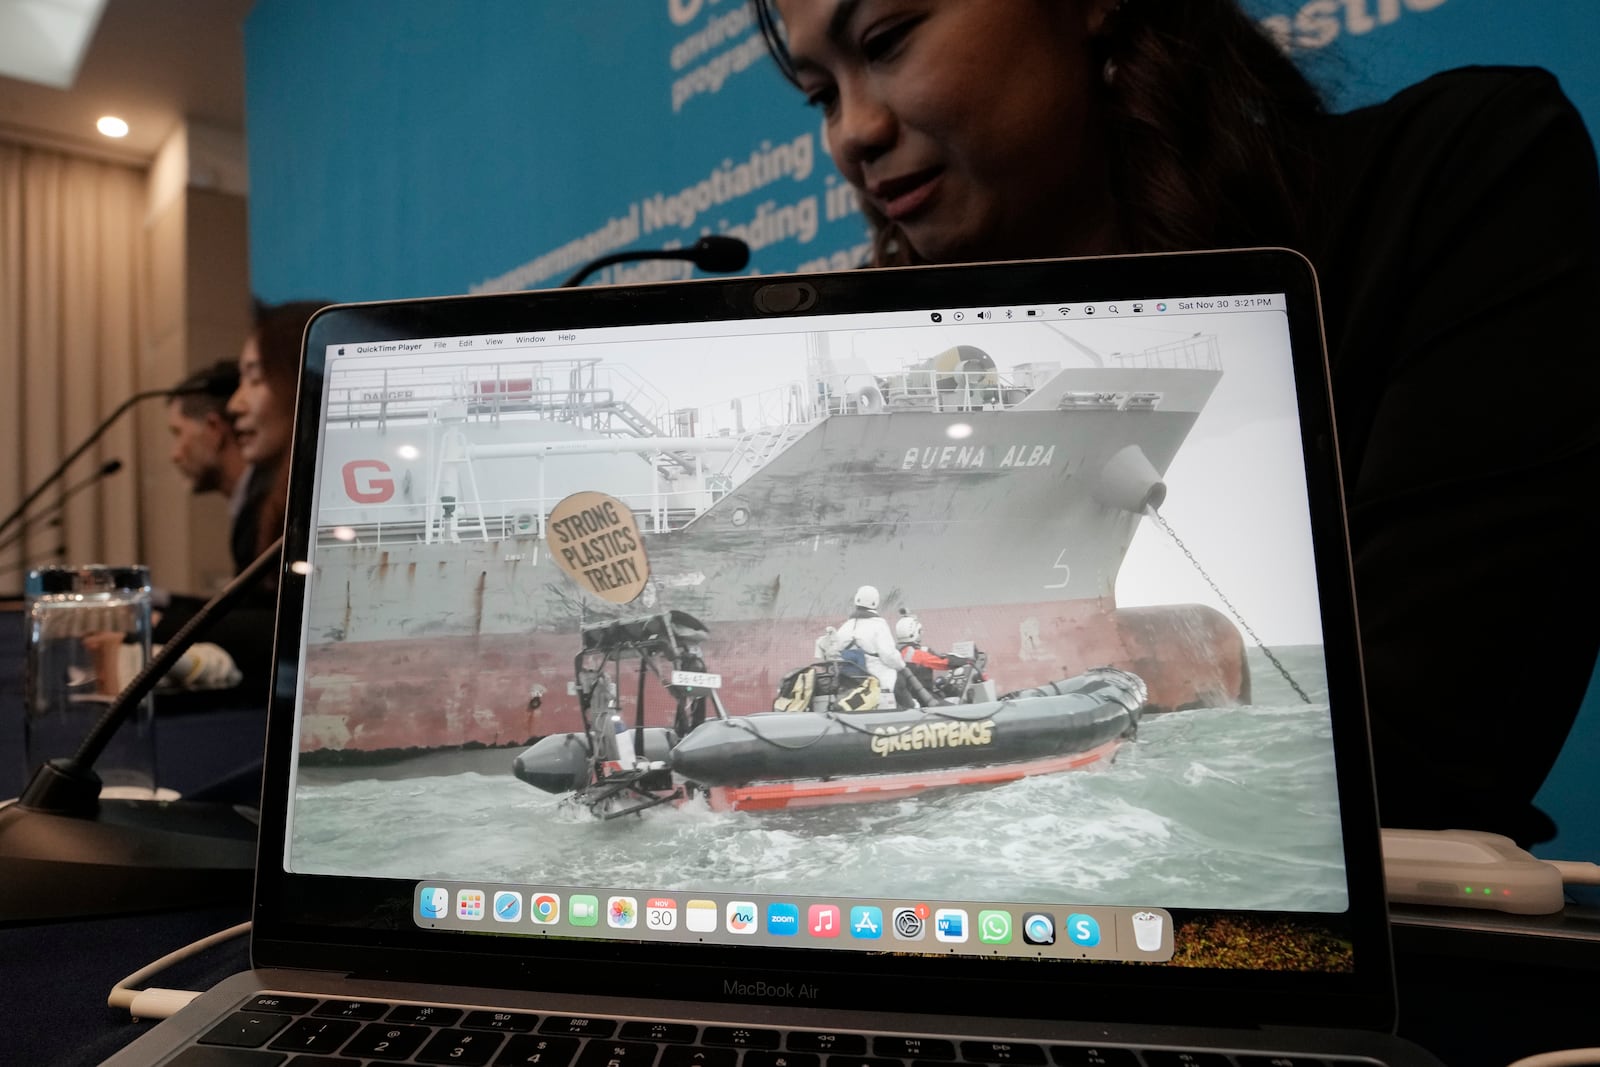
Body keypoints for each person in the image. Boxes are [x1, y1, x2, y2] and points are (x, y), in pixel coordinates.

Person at [755, 0, 1600, 845]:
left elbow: (1432, 752)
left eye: (886, 41)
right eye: (820, 96)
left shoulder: (1455, 180)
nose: (851, 133)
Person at [166, 360, 271, 577]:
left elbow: (267, 609)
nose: (174, 455)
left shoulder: (267, 510)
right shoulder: (251, 505)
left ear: (214, 429)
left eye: (178, 433)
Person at [831, 584, 906, 709]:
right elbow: (889, 656)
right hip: (877, 681)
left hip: (850, 682)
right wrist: (902, 666)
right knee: (902, 683)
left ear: (856, 600)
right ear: (876, 602)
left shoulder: (844, 627)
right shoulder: (879, 625)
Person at [893, 611, 973, 706]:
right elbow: (943, 662)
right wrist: (966, 660)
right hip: (924, 700)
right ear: (915, 633)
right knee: (956, 710)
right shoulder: (916, 654)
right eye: (920, 631)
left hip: (906, 701)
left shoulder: (894, 652)